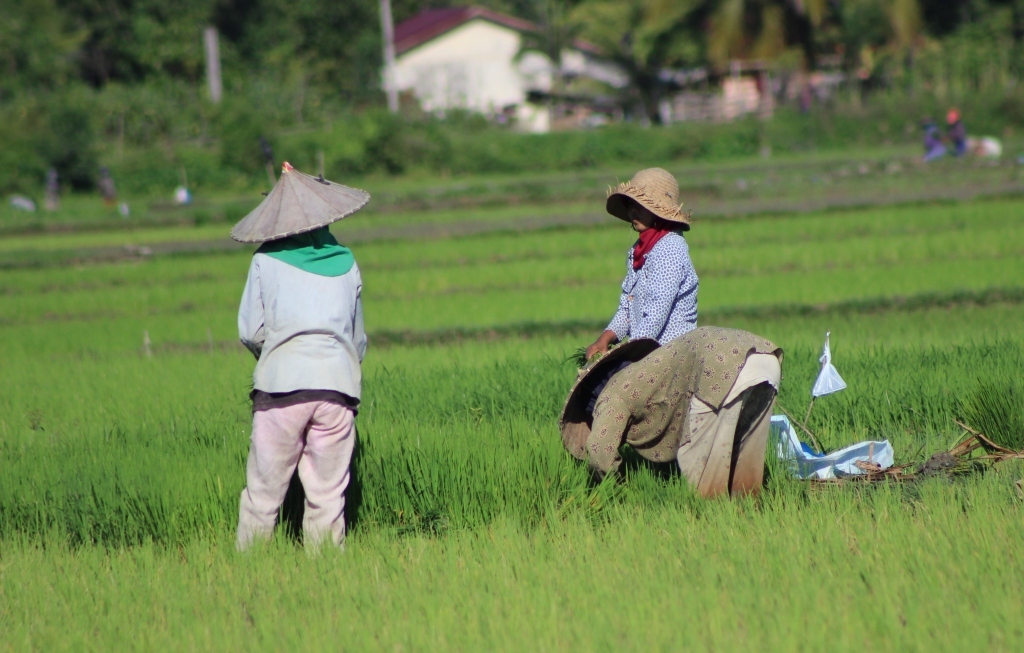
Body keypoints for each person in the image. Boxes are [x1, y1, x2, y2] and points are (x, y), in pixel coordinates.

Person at [232, 162, 371, 550]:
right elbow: (357, 341)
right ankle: (326, 574)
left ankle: (249, 571)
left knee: (263, 496)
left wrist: (276, 356)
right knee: (328, 497)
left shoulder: (265, 260)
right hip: (338, 390)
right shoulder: (347, 262)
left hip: (281, 390)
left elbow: (250, 332)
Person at [561, 327, 782, 498]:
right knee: (744, 466)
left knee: (702, 474)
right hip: (764, 358)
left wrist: (621, 493)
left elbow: (600, 452)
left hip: (720, 369)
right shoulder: (646, 370)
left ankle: (714, 533)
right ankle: (747, 525)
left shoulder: (611, 395)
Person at [586, 167, 699, 361]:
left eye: (641, 205)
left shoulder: (671, 248)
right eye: (631, 204)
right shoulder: (638, 251)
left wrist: (625, 355)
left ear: (659, 211)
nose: (633, 211)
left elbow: (656, 314)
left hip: (672, 353)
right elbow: (627, 309)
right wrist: (605, 339)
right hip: (645, 350)